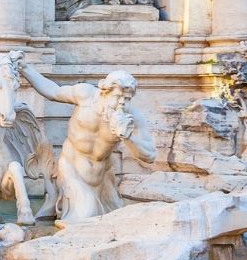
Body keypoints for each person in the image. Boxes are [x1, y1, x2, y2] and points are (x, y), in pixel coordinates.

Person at [20, 65, 157, 221]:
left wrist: (128, 137)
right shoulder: (85, 95)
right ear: (105, 92)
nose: (122, 103)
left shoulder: (131, 117)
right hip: (72, 168)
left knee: (113, 221)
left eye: (127, 99)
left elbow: (150, 155)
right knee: (84, 218)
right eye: (118, 96)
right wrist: (25, 69)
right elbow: (53, 91)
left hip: (102, 177)